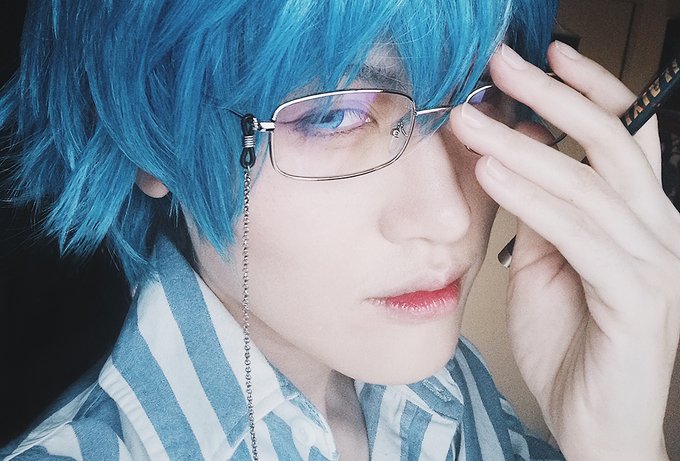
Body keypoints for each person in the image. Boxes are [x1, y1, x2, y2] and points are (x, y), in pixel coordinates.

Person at [1, 0, 677, 459]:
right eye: (333, 115)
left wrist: (616, 445)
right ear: (152, 137)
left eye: (482, 96)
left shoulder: (451, 388)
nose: (450, 216)